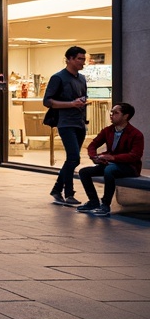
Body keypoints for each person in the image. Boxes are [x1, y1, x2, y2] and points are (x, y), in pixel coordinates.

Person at [75, 103, 143, 216]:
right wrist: (94, 157)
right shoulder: (108, 130)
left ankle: (105, 205)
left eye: (116, 113)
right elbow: (93, 145)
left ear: (126, 116)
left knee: (109, 170)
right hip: (110, 164)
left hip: (129, 167)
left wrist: (113, 157)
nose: (111, 115)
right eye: (111, 112)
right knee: (84, 172)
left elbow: (135, 155)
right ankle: (93, 202)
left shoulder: (136, 134)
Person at [43, 46, 89, 207]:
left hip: (79, 122)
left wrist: (82, 104)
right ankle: (69, 194)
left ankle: (57, 189)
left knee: (73, 159)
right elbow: (47, 101)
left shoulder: (82, 78)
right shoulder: (58, 78)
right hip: (66, 123)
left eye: (84, 59)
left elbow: (82, 97)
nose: (83, 62)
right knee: (74, 157)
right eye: (79, 59)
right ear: (69, 59)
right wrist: (71, 104)